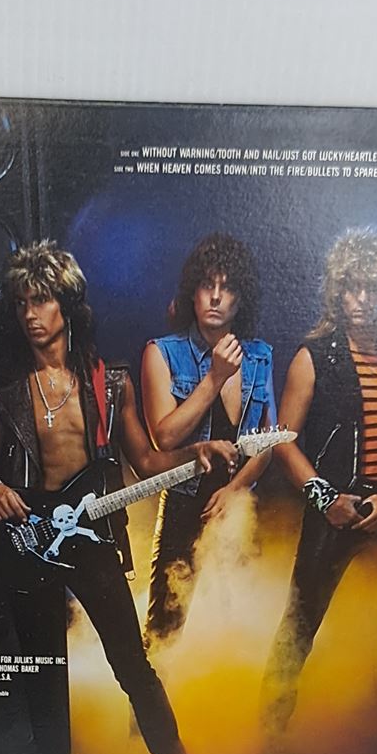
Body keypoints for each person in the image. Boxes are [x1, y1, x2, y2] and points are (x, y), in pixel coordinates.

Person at [0, 242, 234, 754]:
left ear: (66, 305)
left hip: (90, 531)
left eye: (42, 300)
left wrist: (197, 451)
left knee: (131, 661)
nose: (31, 314)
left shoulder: (109, 383)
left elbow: (148, 460)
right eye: (22, 303)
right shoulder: (1, 386)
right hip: (29, 534)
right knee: (42, 664)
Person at [257, 228, 377, 754]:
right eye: (352, 288)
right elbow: (282, 439)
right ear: (337, 290)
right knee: (299, 625)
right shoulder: (315, 356)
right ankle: (267, 741)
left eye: (372, 289)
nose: (361, 300)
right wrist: (325, 498)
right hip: (333, 512)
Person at [138, 234, 277, 650]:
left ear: (241, 298)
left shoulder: (260, 356)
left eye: (227, 287)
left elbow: (268, 442)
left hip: (238, 508)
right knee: (165, 630)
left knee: (238, 630)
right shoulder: (162, 352)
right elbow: (163, 438)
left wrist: (234, 490)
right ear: (192, 292)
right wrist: (215, 377)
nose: (216, 297)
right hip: (184, 504)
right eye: (207, 285)